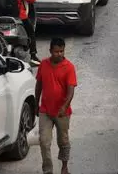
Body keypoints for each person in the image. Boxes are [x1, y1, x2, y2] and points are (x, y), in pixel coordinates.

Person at [36, 37, 77, 174]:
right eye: (56, 51)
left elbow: (71, 91)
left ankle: (64, 167)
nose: (59, 54)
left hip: (62, 113)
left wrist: (64, 106)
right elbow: (39, 84)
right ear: (50, 51)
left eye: (62, 51)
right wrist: (36, 103)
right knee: (44, 141)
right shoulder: (43, 64)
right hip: (45, 110)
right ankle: (48, 170)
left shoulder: (69, 67)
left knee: (63, 141)